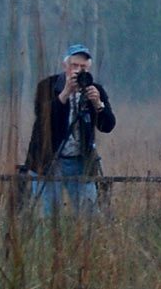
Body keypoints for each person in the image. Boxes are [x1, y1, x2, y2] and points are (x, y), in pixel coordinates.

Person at [23, 43, 116, 216]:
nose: (78, 71)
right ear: (65, 66)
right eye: (74, 66)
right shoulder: (47, 86)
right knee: (50, 216)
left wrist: (98, 104)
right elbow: (42, 118)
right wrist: (65, 94)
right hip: (48, 160)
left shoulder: (94, 90)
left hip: (81, 161)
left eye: (83, 67)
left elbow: (108, 126)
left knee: (89, 215)